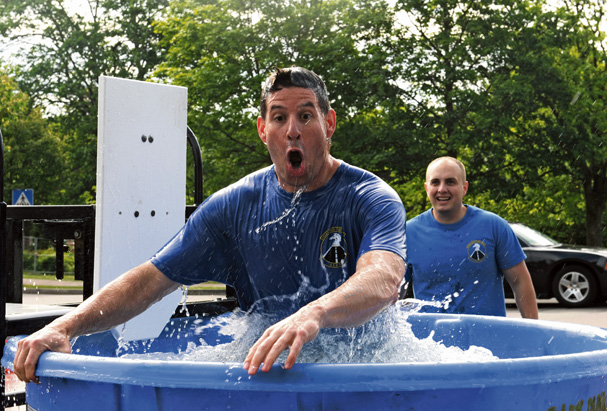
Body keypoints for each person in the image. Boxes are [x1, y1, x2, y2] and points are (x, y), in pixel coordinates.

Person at [14, 67, 407, 382]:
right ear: (262, 130)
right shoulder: (233, 207)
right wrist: (65, 326)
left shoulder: (370, 198)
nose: (293, 130)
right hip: (268, 369)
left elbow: (384, 277)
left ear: (329, 123)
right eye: (279, 117)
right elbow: (149, 280)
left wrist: (314, 314)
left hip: (364, 368)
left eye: (306, 116)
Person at [403, 156, 538, 319]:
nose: (442, 189)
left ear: (464, 187)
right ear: (426, 188)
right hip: (430, 341)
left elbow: (520, 282)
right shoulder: (408, 233)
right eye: (435, 182)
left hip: (488, 339)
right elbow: (391, 293)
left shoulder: (494, 226)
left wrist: (534, 334)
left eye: (450, 182)